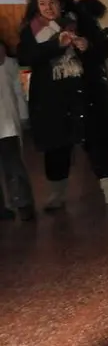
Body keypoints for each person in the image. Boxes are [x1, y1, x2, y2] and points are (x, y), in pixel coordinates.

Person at [18, 0, 108, 211]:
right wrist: (56, 45)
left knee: (97, 143)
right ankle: (57, 194)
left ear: (62, 2)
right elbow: (26, 56)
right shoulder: (31, 29)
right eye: (42, 3)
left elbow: (103, 50)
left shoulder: (82, 22)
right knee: (57, 147)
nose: (48, 8)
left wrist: (88, 47)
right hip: (52, 98)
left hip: (86, 92)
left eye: (52, 2)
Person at [0, 40, 35, 221]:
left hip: (6, 123)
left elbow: (17, 90)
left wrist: (22, 115)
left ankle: (23, 203)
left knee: (13, 164)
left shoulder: (8, 62)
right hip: (6, 121)